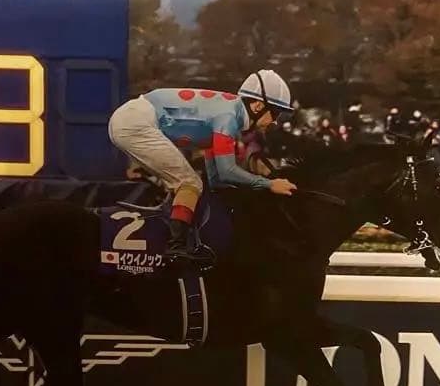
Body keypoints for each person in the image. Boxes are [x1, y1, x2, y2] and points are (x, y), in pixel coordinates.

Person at [108, 69, 298, 264]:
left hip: (132, 118)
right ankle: (177, 247)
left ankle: (175, 228)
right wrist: (269, 184)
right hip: (135, 123)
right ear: (258, 106)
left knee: (191, 183)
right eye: (275, 113)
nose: (275, 121)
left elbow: (216, 177)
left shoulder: (229, 112)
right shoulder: (228, 117)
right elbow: (227, 171)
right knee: (190, 183)